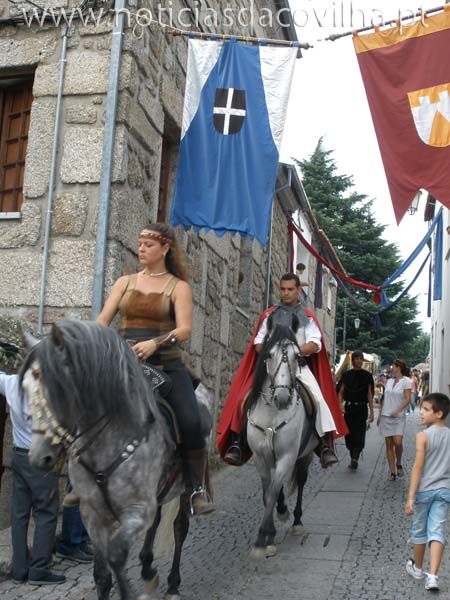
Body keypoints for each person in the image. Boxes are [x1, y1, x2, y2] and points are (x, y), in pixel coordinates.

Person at [96, 223, 213, 516]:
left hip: (167, 367)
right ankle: (84, 484)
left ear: (165, 248)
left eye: (148, 245)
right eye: (140, 243)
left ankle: (195, 488)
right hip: (124, 366)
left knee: (191, 421)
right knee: (88, 412)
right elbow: (102, 322)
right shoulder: (124, 282)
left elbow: (185, 330)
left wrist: (155, 343)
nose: (141, 249)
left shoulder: (178, 286)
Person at [217, 273, 348, 468]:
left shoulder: (307, 317)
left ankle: (324, 445)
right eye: (283, 289)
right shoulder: (269, 315)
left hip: (298, 368)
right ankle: (237, 442)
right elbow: (258, 342)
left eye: (290, 289)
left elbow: (315, 344)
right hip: (271, 367)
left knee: (319, 401)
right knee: (242, 398)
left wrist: (293, 351)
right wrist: (274, 351)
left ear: (298, 291)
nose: (286, 293)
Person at [0, 371, 65, 586]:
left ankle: (19, 570)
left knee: (18, 516)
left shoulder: (12, 382)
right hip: (42, 459)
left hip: (19, 455)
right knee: (46, 514)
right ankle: (39, 569)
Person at [405, 392, 450, 592]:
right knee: (437, 531)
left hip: (424, 491)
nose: (421, 412)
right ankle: (432, 576)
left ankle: (418, 568)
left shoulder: (423, 436)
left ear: (439, 413)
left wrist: (410, 497)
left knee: (419, 532)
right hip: (444, 490)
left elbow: (418, 468)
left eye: (425, 410)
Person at [338, 350, 374, 470]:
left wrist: (372, 412)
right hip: (349, 408)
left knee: (359, 433)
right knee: (349, 434)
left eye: (361, 358)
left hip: (362, 408)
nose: (359, 361)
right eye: (357, 358)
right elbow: (341, 391)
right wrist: (340, 405)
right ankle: (352, 456)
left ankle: (355, 458)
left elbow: (369, 394)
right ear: (353, 360)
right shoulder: (346, 375)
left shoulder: (367, 376)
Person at [377, 359, 412, 481]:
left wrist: (398, 410)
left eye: (393, 366)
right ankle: (392, 471)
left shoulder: (406, 381)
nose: (391, 368)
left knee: (398, 442)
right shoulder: (389, 381)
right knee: (388, 444)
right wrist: (380, 415)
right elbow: (384, 398)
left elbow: (407, 399)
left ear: (399, 367)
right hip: (386, 415)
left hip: (398, 417)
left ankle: (399, 462)